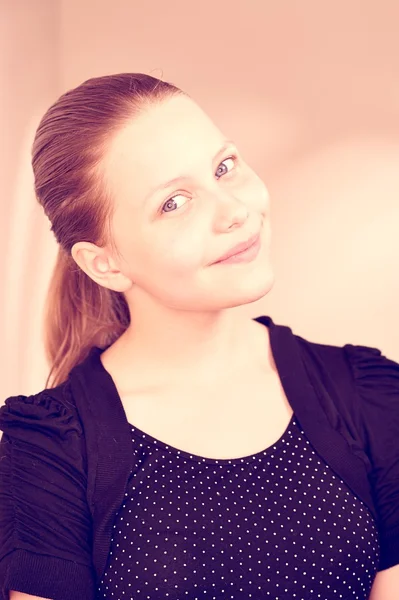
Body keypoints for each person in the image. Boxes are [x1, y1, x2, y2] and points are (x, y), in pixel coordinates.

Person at [0, 73, 398, 600]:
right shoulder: (48, 454)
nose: (235, 211)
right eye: (174, 202)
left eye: (224, 167)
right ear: (105, 263)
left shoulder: (371, 394)